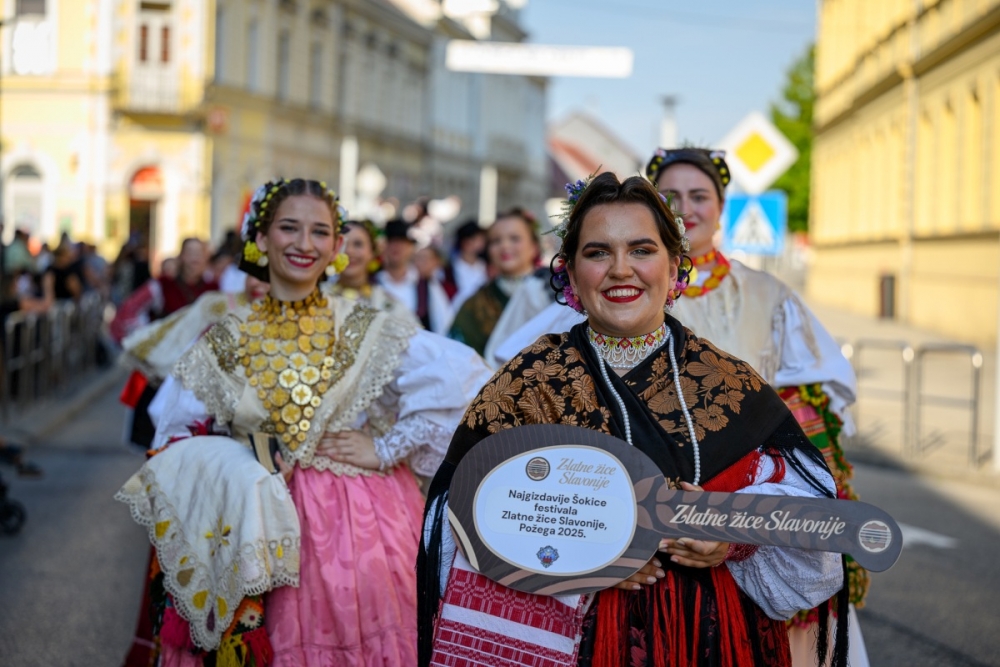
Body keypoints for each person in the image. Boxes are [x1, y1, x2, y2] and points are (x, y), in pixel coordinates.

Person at [419, 173, 847, 667]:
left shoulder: (727, 381)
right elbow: (462, 523)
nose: (621, 269)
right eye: (598, 253)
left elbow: (816, 529)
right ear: (571, 274)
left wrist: (734, 537)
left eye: (642, 250)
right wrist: (578, 564)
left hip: (704, 638)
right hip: (565, 643)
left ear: (674, 267)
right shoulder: (527, 382)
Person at [117, 178, 491, 667]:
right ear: (262, 238)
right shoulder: (225, 337)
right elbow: (173, 434)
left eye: (319, 232)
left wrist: (385, 447)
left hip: (357, 528)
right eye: (289, 227)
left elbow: (461, 378)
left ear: (336, 247)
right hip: (249, 518)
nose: (303, 243)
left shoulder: (362, 325)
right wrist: (239, 455)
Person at [447, 208, 552, 364]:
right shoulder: (474, 304)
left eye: (515, 238)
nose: (504, 246)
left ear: (534, 246)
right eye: (496, 241)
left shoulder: (556, 292)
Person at [375, 219, 452, 334]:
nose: (396, 247)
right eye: (391, 241)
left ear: (411, 247)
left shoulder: (427, 285)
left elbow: (444, 326)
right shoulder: (372, 282)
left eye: (402, 242)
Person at [333, 220, 415, 322]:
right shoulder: (317, 296)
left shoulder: (391, 307)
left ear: (373, 252)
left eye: (358, 244)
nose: (349, 251)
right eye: (342, 244)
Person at [441, 219, 488, 307]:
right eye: (478, 239)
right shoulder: (447, 270)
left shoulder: (486, 267)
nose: (483, 242)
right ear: (466, 242)